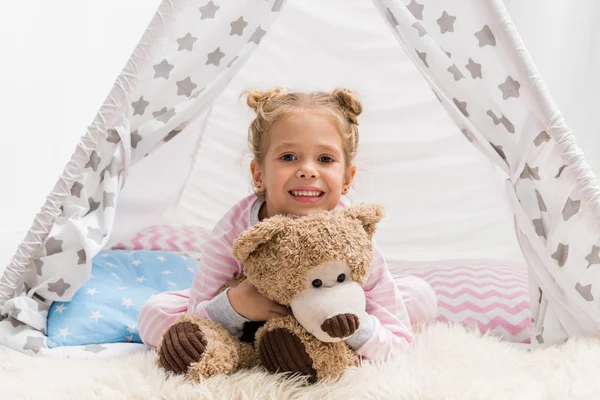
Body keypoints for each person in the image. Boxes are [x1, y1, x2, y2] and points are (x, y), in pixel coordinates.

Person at [137, 87, 438, 366]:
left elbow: (400, 345)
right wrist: (236, 305)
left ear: (347, 179)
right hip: (256, 323)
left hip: (332, 318)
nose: (307, 170)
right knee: (154, 312)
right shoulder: (234, 229)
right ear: (259, 175)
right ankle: (268, 346)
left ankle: (319, 349)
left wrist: (352, 324)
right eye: (288, 157)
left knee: (419, 294)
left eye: (325, 158)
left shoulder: (352, 232)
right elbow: (196, 312)